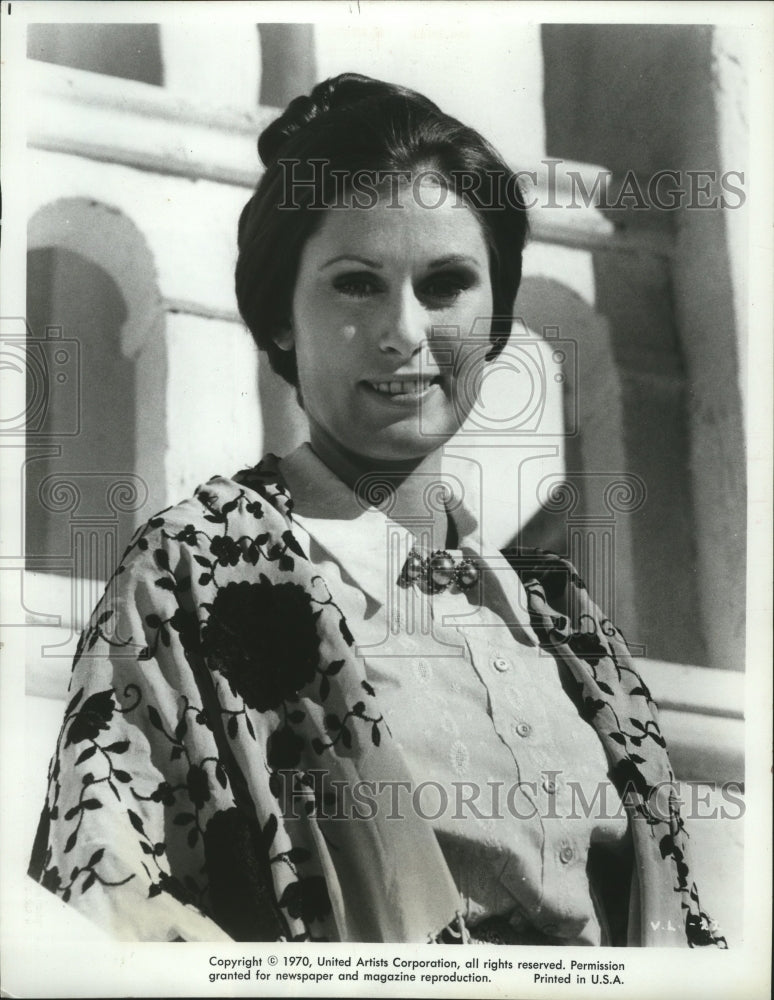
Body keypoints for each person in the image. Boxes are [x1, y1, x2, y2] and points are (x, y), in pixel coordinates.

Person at [28, 73, 724, 947]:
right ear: (281, 317)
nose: (405, 331)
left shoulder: (567, 623)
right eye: (357, 284)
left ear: (497, 318)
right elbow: (102, 913)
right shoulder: (188, 579)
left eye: (446, 285)